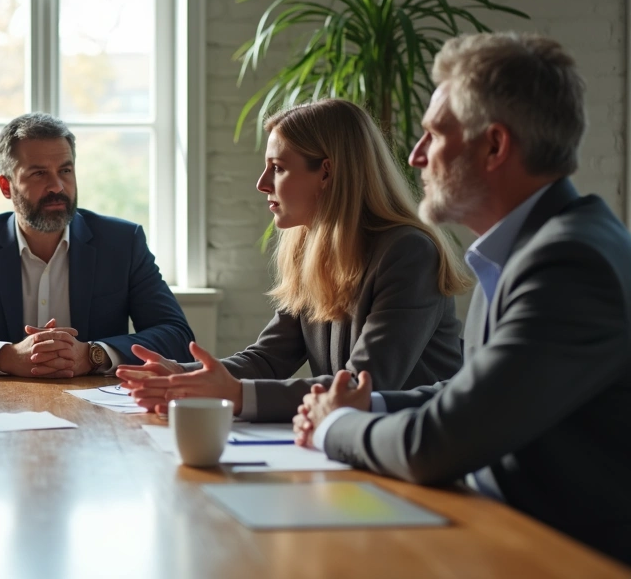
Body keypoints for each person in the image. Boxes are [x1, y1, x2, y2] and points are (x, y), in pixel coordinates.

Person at [294, 33, 631, 564]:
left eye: (433, 134)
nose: (416, 155)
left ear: (494, 146)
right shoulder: (536, 245)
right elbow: (473, 392)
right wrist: (369, 403)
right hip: (503, 535)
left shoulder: (569, 264)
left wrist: (335, 425)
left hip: (561, 559)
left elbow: (437, 445)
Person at [118, 99, 470, 422]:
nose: (261, 184)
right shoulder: (309, 247)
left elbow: (367, 385)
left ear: (327, 173)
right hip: (356, 442)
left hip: (416, 447)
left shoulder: (408, 253)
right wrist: (185, 376)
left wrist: (235, 395)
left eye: (278, 168)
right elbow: (270, 357)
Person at [0, 112, 194, 377]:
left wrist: (93, 354)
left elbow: (177, 336)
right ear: (7, 187)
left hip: (100, 410)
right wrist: (7, 355)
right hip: (0, 410)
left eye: (65, 171)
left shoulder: (121, 243)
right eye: (39, 173)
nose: (57, 186)